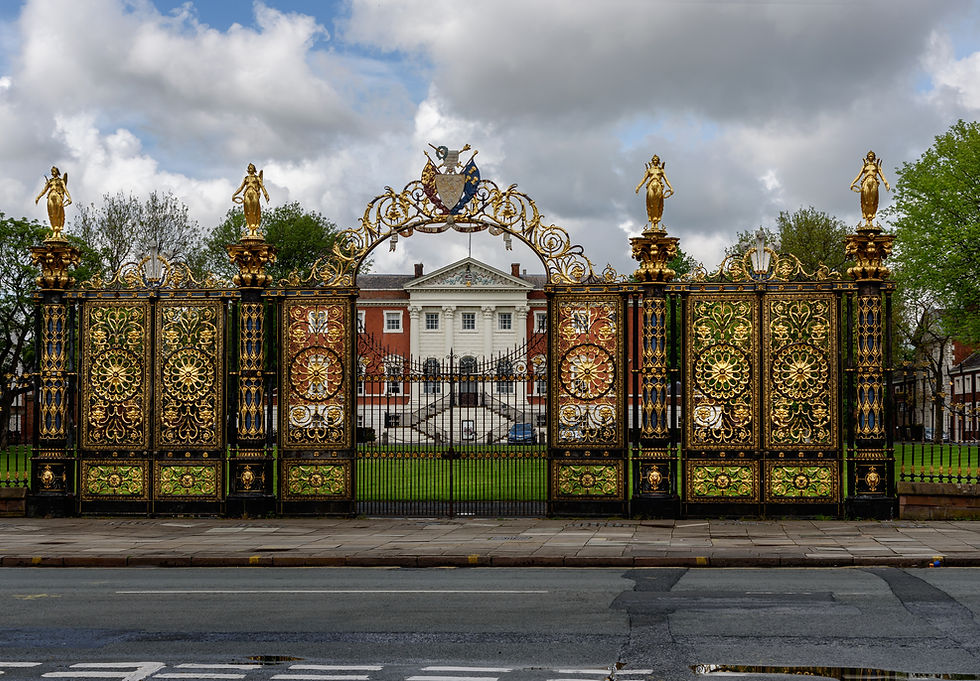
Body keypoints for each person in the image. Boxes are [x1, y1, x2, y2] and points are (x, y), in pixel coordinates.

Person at [850, 150, 890, 226]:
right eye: (869, 155)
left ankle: (870, 219)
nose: (870, 156)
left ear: (874, 157)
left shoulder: (876, 166)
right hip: (866, 181)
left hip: (874, 181)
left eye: (872, 155)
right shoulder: (865, 166)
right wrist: (852, 183)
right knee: (866, 202)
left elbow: (882, 176)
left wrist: (886, 183)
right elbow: (858, 176)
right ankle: (866, 219)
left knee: (872, 201)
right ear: (867, 157)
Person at [635, 155, 674, 228]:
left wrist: (671, 188)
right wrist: (638, 186)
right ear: (652, 161)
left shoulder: (661, 170)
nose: (655, 161)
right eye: (654, 160)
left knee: (657, 204)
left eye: (656, 160)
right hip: (651, 185)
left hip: (658, 184)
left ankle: (656, 221)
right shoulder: (650, 170)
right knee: (651, 205)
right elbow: (644, 179)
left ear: (658, 161)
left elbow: (666, 180)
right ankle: (652, 219)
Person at [232, 163, 270, 236]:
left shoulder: (257, 178)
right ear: (248, 170)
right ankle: (250, 227)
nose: (250, 169)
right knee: (248, 212)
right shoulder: (246, 178)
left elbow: (262, 186)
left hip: (254, 193)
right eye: (249, 168)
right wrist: (234, 194)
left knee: (255, 211)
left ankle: (255, 228)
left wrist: (266, 194)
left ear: (254, 169)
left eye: (251, 168)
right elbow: (241, 188)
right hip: (247, 194)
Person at [34, 166, 72, 239]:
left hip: (58, 196)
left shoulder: (61, 181)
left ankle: (58, 231)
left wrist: (69, 197)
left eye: (54, 171)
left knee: (58, 214)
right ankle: (54, 229)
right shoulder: (50, 181)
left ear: (57, 172)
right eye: (52, 171)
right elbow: (44, 190)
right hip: (50, 196)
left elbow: (65, 189)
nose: (52, 173)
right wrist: (38, 197)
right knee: (52, 214)